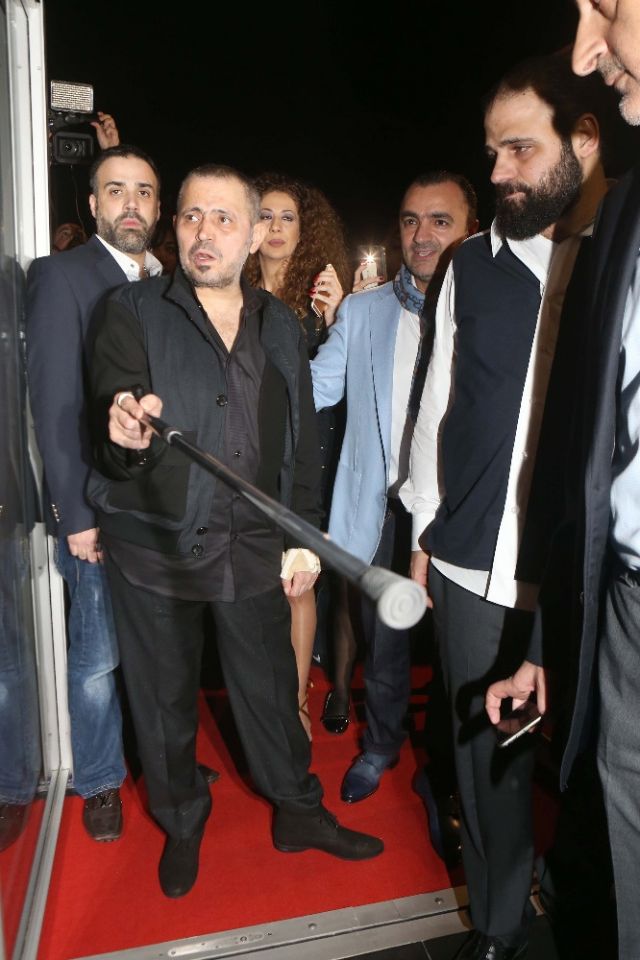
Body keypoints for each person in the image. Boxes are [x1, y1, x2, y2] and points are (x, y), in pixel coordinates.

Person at [87, 163, 384, 899]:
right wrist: (124, 433)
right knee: (163, 702)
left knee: (271, 688)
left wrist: (301, 536)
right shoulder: (130, 310)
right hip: (155, 548)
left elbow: (300, 444)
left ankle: (298, 812)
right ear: (175, 227)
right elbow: (112, 417)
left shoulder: (278, 322)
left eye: (224, 218)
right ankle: (183, 821)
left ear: (253, 235)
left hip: (251, 541)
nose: (204, 232)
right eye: (192, 216)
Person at [402, 52, 610, 960]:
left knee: (593, 757)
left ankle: (582, 895)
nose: (497, 172)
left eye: (519, 150)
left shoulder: (616, 258)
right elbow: (436, 403)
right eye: (492, 152)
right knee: (485, 754)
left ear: (583, 141)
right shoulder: (468, 266)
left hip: (589, 571)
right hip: (470, 561)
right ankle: (496, 918)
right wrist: (422, 530)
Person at [486, 7, 640, 958]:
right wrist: (555, 640)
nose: (587, 47)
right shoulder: (628, 215)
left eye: (608, 6)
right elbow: (592, 458)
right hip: (622, 613)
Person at [310, 170, 478, 805]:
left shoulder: (492, 309)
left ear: (471, 230)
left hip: (463, 511)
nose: (422, 234)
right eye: (411, 220)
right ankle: (380, 745)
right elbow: (313, 390)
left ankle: (449, 770)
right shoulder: (363, 312)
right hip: (382, 512)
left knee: (464, 649)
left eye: (440, 220)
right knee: (384, 643)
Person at [25, 144, 164, 842]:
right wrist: (76, 515)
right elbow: (53, 404)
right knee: (97, 658)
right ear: (92, 204)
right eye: (116, 191)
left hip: (163, 512)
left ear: (158, 207)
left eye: (143, 192)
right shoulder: (61, 276)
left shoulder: (166, 278)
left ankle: (158, 764)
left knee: (158, 649)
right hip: (98, 511)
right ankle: (101, 778)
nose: (130, 204)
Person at [244, 171, 352, 739]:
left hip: (311, 451)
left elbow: (343, 382)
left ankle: (300, 702)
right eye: (265, 215)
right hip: (249, 453)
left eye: (288, 217)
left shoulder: (319, 300)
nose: (277, 227)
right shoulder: (233, 293)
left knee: (299, 573)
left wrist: (338, 318)